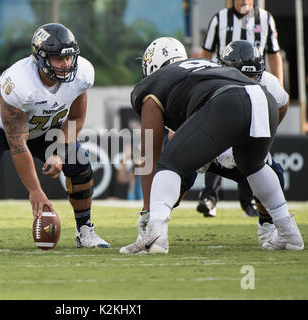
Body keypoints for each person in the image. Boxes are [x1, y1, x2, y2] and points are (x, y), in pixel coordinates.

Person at [0, 23, 110, 250]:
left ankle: (85, 230)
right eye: (58, 59)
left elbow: (75, 119)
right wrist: (35, 191)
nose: (66, 64)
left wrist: (60, 153)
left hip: (42, 125)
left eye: (69, 58)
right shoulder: (20, 84)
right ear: (41, 58)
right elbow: (18, 144)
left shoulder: (82, 74)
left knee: (79, 160)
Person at [119, 37, 303, 254]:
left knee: (169, 164)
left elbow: (150, 154)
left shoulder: (153, 85)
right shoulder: (205, 67)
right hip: (263, 99)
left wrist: (149, 212)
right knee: (254, 166)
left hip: (227, 103)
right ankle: (289, 233)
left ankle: (155, 236)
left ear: (152, 67)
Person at [198, 0, 284, 217]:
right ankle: (209, 196)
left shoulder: (265, 19)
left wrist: (278, 85)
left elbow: (274, 55)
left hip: (256, 89)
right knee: (215, 139)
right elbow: (206, 54)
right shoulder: (219, 19)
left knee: (253, 148)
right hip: (224, 88)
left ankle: (251, 202)